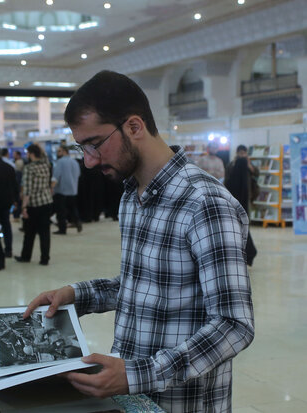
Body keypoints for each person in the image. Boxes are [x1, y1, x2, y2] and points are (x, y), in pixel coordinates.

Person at [24, 70, 254, 412]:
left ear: (134, 126)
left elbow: (234, 325)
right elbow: (144, 285)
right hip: (134, 399)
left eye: (95, 144)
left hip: (182, 404)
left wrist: (137, 375)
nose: (88, 161)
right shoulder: (132, 196)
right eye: (81, 147)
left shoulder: (205, 203)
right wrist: (77, 295)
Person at [15, 143, 53, 266]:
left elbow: (27, 190)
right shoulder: (46, 165)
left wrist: (24, 207)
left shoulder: (29, 168)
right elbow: (45, 156)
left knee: (29, 233)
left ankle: (26, 256)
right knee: (45, 233)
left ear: (31, 154)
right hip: (46, 202)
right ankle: (45, 258)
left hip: (33, 204)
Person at [225, 150, 258, 266]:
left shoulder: (245, 166)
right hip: (241, 201)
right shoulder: (233, 165)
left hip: (237, 202)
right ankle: (248, 254)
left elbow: (256, 173)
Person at [51, 145, 82, 234]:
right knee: (72, 208)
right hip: (72, 190)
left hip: (61, 190)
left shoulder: (60, 162)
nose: (57, 153)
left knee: (61, 211)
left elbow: (56, 177)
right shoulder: (75, 162)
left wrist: (51, 187)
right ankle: (77, 221)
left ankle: (62, 229)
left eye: (59, 151)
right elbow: (78, 175)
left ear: (65, 151)